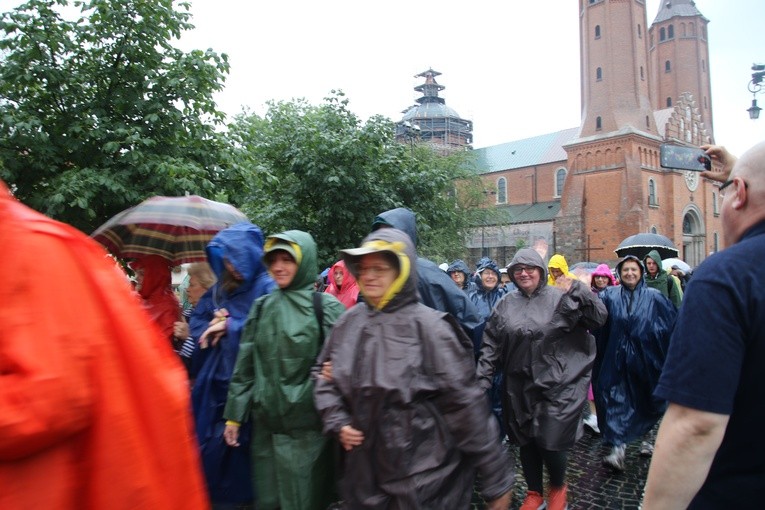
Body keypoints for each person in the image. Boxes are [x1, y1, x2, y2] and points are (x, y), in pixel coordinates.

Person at [0, 180, 208, 509]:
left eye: (142, 275)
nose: (138, 279)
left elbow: (52, 394)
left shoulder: (32, 246)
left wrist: (185, 338)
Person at [314, 228, 514, 510]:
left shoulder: (432, 329)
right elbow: (322, 375)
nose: (369, 275)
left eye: (380, 268)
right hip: (364, 483)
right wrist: (338, 420)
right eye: (364, 267)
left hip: (424, 487)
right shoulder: (349, 324)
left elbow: (466, 407)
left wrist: (497, 480)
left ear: (401, 272)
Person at [643, 142, 765, 508]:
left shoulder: (728, 276)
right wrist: (737, 174)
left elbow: (696, 426)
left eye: (726, 192)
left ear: (738, 194)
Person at [223, 230, 346, 510]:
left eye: (287, 259)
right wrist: (233, 417)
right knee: (268, 502)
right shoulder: (262, 307)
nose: (279, 267)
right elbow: (246, 365)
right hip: (266, 433)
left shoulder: (325, 307)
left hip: (308, 436)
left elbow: (347, 362)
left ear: (304, 262)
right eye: (273, 260)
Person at [477, 248, 608, 510]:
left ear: (541, 271)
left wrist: (580, 291)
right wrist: (481, 380)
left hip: (556, 383)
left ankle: (558, 487)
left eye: (530, 268)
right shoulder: (505, 304)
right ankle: (534, 492)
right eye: (518, 269)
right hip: (518, 384)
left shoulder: (560, 298)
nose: (524, 273)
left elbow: (598, 318)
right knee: (526, 440)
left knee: (551, 438)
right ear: (512, 274)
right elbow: (490, 344)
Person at [189, 222, 276, 508]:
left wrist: (231, 326)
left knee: (242, 460)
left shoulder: (267, 287)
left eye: (236, 259)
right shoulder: (220, 289)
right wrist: (210, 326)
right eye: (226, 260)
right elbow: (198, 322)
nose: (231, 267)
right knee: (211, 455)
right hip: (214, 386)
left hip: (248, 391)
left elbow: (271, 330)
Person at [593, 255, 677, 472]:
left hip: (646, 361)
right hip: (616, 360)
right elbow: (596, 320)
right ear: (619, 274)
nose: (629, 273)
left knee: (646, 399)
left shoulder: (655, 297)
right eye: (625, 270)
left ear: (640, 273)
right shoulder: (609, 297)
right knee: (614, 401)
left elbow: (671, 324)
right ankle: (618, 450)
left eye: (634, 270)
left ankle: (647, 437)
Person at [371, 207, 483, 353]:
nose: (385, 239)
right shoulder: (372, 275)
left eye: (391, 233)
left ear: (406, 236)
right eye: (380, 234)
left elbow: (470, 320)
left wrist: (457, 360)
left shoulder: (427, 274)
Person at [173, 261, 217, 372]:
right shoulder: (188, 313)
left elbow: (206, 360)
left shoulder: (215, 318)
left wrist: (189, 336)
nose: (187, 289)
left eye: (192, 285)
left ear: (207, 288)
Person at [129, 254, 180, 344]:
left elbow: (162, 344)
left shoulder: (168, 306)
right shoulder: (144, 298)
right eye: (137, 272)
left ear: (155, 277)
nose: (136, 277)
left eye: (142, 274)